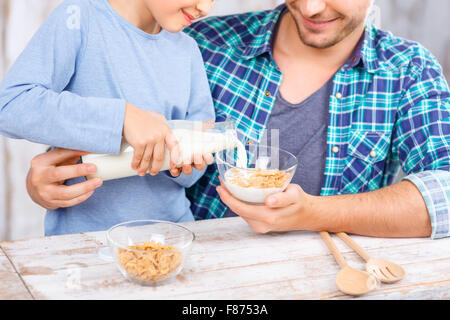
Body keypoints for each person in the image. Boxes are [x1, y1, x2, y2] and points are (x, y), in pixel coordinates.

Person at [23, 0, 450, 239]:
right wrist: (55, 175)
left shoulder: (408, 70)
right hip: (198, 278)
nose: (313, 7)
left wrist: (314, 213)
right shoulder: (200, 43)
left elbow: (444, 194)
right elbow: (124, 126)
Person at [0, 0, 217, 235]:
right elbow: (12, 106)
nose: (205, 8)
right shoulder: (79, 18)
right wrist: (122, 117)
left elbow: (194, 171)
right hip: (83, 244)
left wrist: (180, 156)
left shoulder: (187, 50)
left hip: (172, 235)